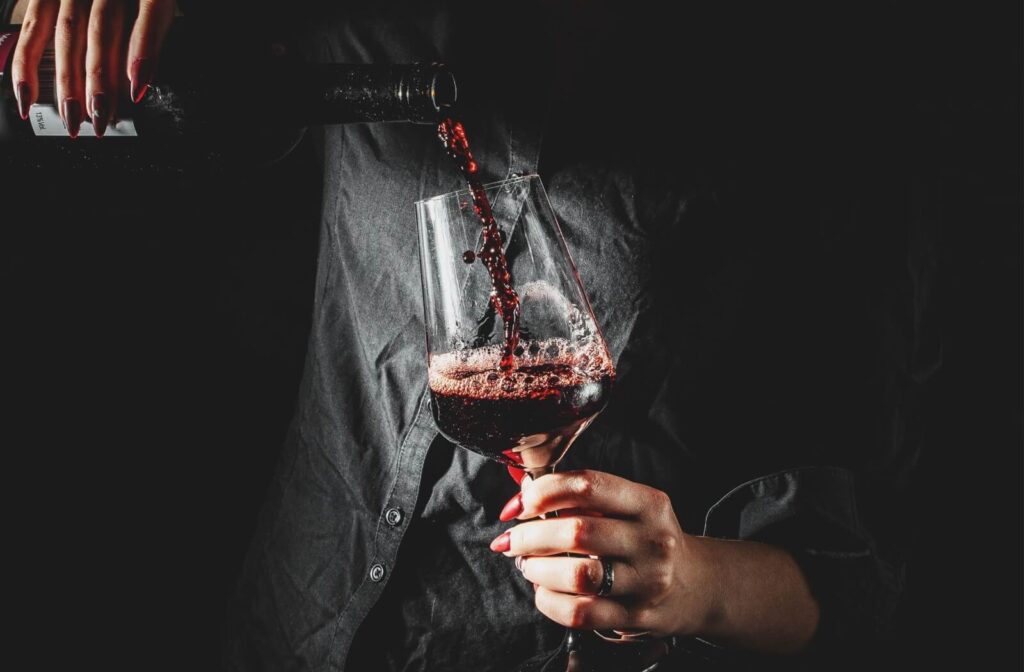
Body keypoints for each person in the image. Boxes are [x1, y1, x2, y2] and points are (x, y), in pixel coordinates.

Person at [7, 2, 929, 670]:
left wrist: (690, 580)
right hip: (292, 620)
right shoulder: (373, 27)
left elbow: (865, 578)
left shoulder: (826, 94)